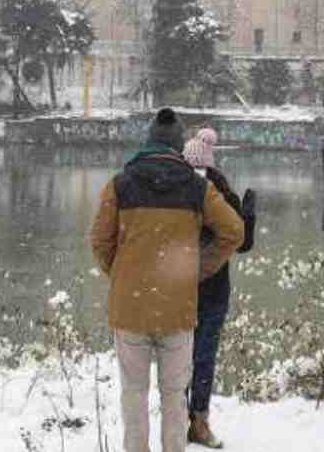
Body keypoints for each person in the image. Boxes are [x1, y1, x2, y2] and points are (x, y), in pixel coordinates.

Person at [90, 109, 245, 452]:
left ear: (147, 141)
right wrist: (198, 269)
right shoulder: (197, 188)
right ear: (179, 146)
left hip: (130, 310)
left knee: (133, 394)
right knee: (175, 397)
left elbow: (99, 241)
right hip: (177, 309)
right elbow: (234, 231)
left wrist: (120, 274)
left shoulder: (120, 184)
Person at [181, 127, 256, 449]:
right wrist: (249, 216)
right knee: (203, 358)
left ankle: (180, 420)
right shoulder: (223, 192)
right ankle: (198, 421)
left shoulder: (173, 192)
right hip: (212, 291)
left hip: (178, 288)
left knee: (178, 358)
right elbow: (243, 244)